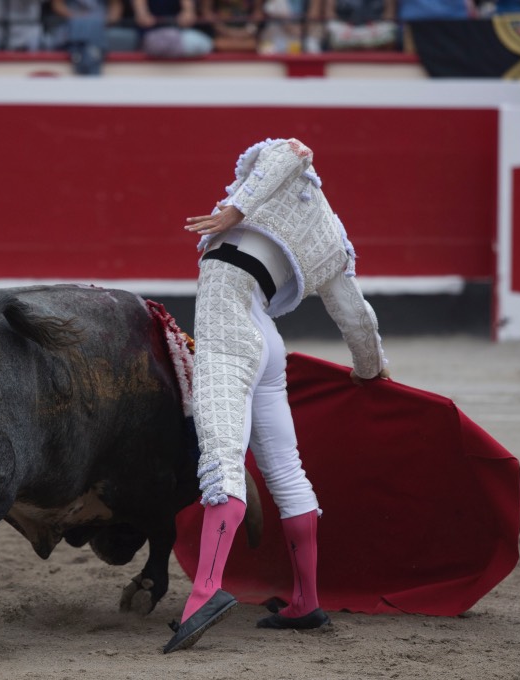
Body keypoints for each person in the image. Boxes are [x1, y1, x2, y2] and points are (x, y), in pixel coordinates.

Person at [164, 137, 388, 654]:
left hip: (227, 323)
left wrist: (233, 212)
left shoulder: (280, 170)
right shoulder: (333, 245)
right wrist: (371, 371)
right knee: (286, 470)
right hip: (266, 337)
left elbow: (292, 151)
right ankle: (305, 600)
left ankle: (203, 594)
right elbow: (358, 320)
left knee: (221, 459)